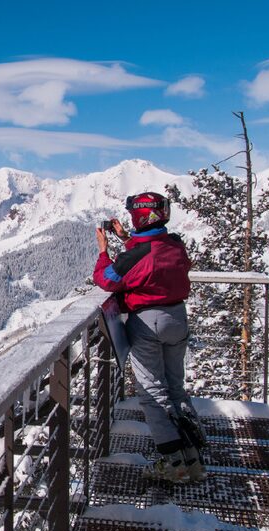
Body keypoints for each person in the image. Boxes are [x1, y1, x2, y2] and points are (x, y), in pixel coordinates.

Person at [92, 191, 207, 483]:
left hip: (147, 323)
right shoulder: (175, 244)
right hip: (177, 317)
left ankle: (173, 463)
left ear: (140, 215)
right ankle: (192, 457)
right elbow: (151, 254)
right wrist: (127, 238)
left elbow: (107, 279)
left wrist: (104, 251)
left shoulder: (136, 254)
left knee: (153, 393)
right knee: (176, 387)